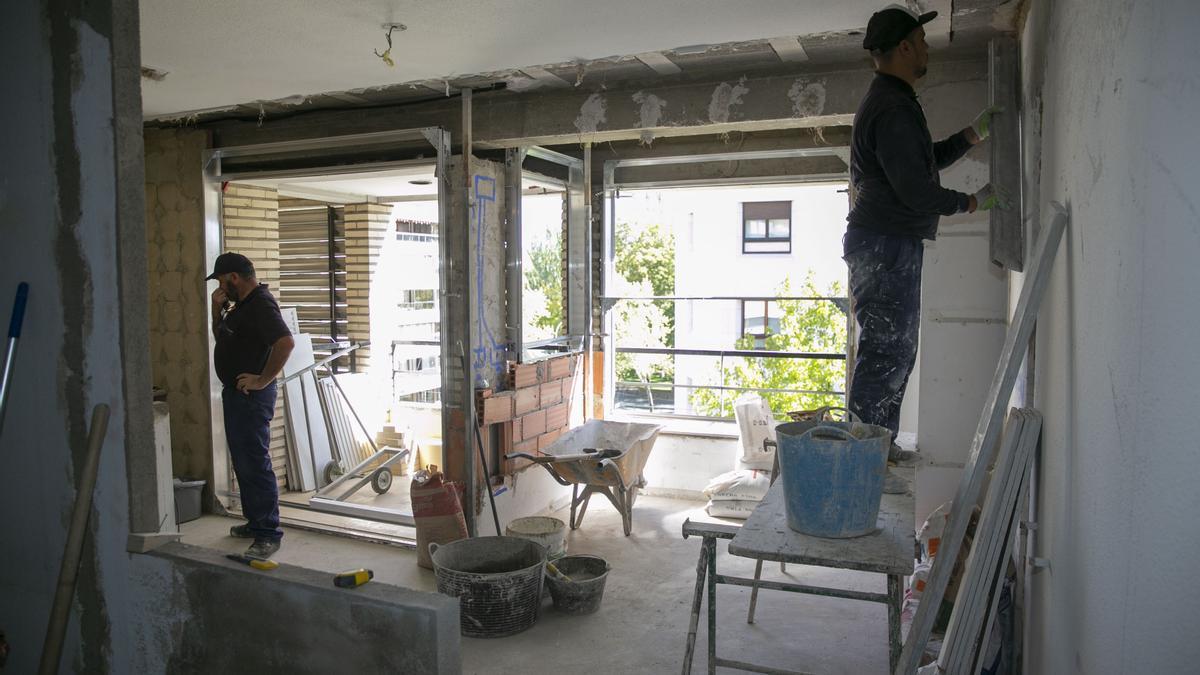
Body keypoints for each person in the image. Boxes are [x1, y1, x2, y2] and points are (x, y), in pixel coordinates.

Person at [844, 5, 1006, 487]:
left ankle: (876, 445)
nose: (929, 47)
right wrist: (972, 203)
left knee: (894, 348)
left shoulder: (895, 101)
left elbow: (922, 162)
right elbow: (917, 190)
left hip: (885, 244)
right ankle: (864, 455)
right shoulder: (891, 108)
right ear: (905, 47)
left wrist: (971, 136)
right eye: (923, 38)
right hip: (884, 245)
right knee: (887, 350)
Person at [207, 252, 294, 558]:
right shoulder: (241, 306)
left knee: (255, 463)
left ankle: (268, 533)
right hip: (237, 395)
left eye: (220, 280)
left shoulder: (260, 303)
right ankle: (256, 522)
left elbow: (285, 342)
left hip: (251, 397)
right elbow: (222, 338)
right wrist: (216, 312)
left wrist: (263, 380)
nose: (219, 287)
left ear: (233, 277)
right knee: (244, 461)